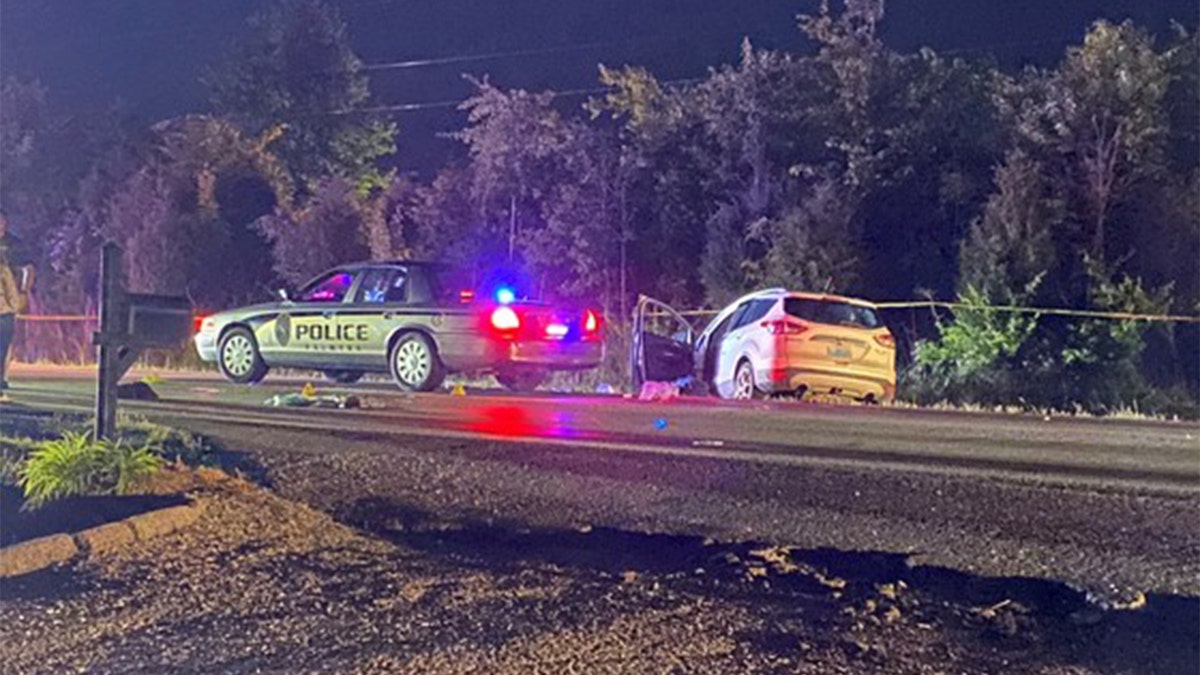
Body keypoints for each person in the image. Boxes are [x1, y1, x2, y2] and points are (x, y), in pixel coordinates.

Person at [0, 210, 34, 391]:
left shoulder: (14, 245)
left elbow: (28, 269)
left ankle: (2, 377)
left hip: (7, 302)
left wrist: (22, 291)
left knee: (5, 341)